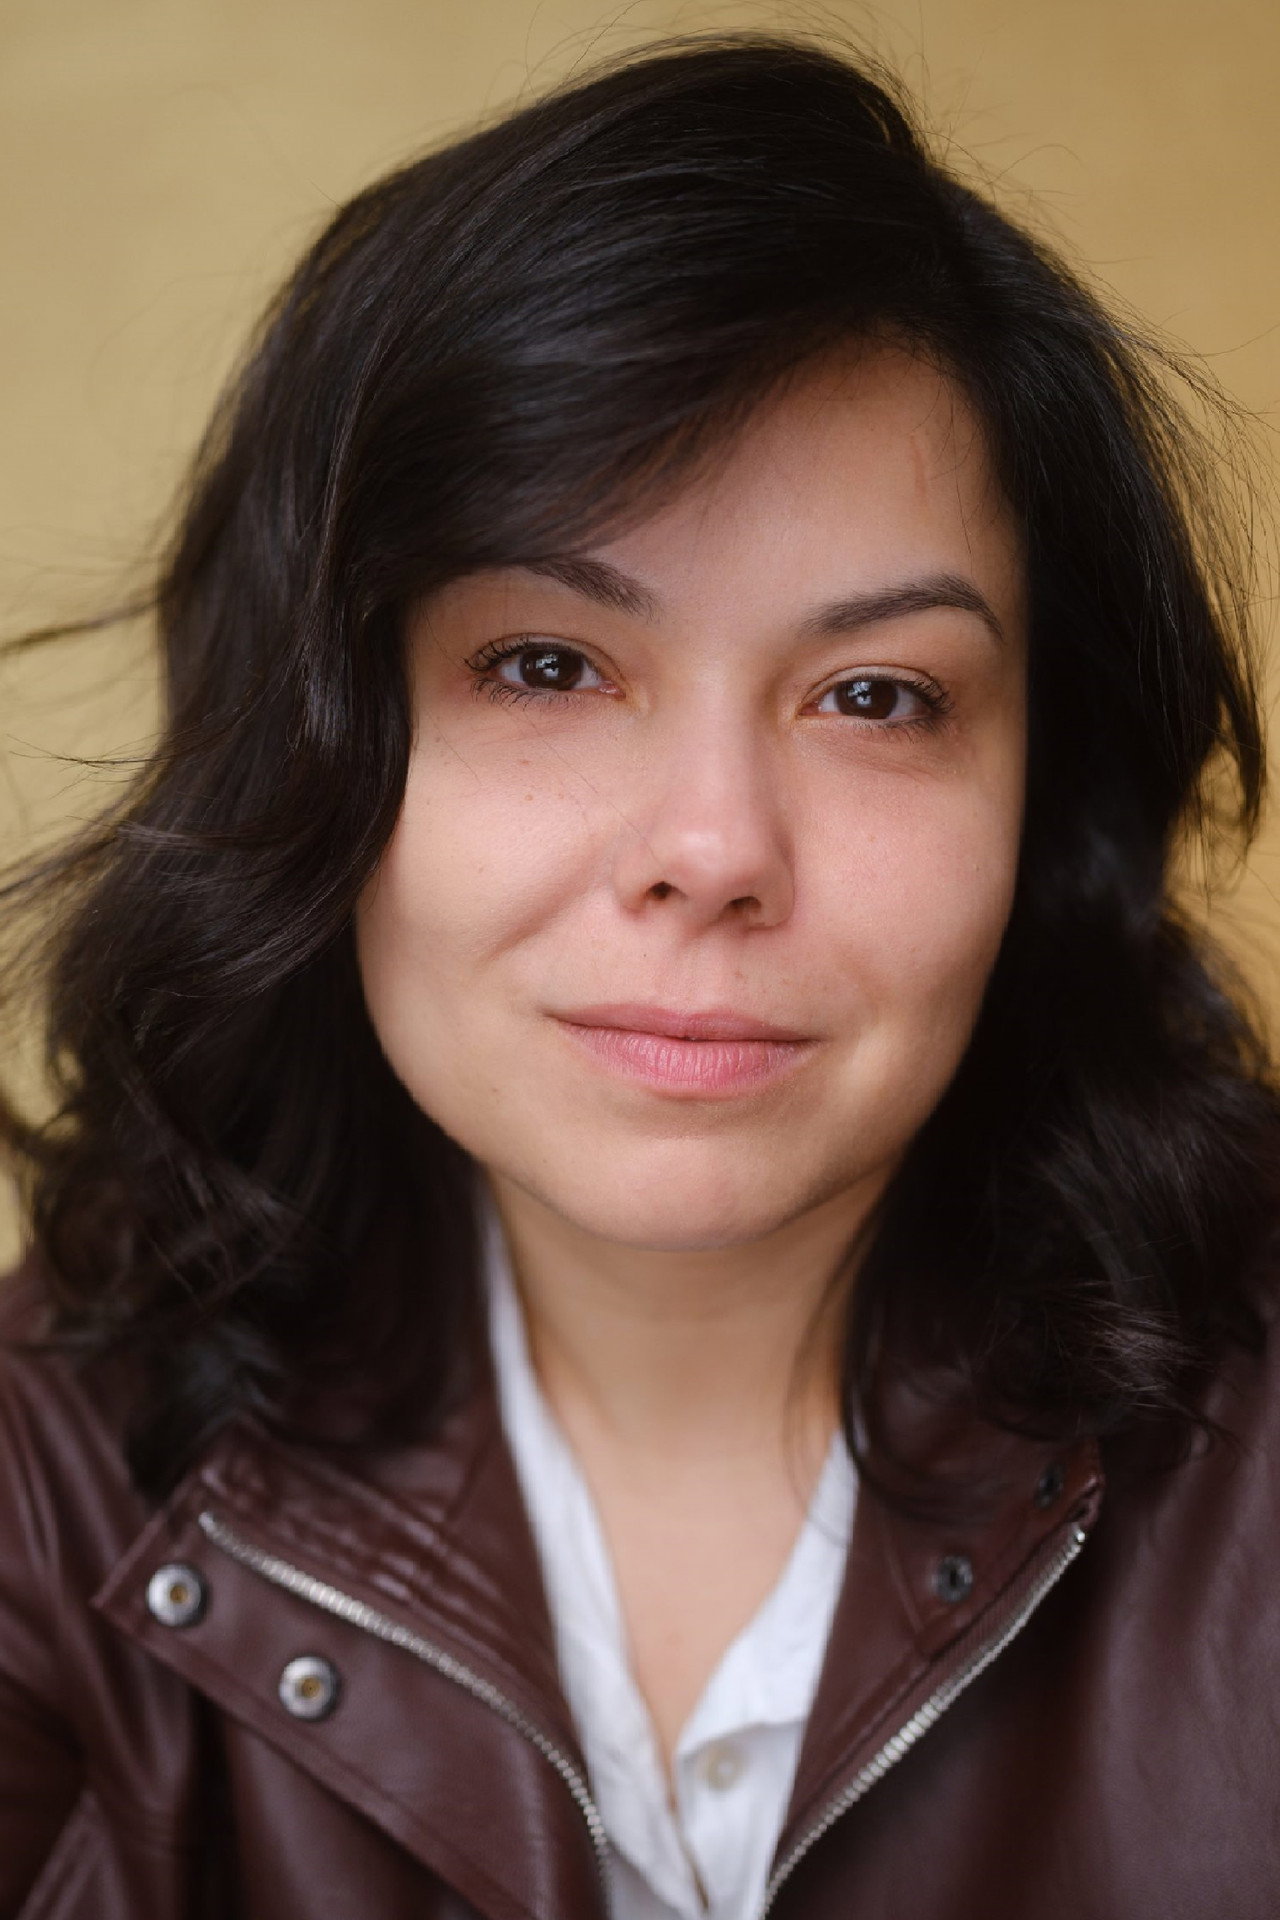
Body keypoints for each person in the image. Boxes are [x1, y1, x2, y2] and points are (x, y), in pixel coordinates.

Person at [0, 31, 1277, 1920]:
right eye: (547, 666)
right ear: (322, 740)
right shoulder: (46, 1486)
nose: (714, 847)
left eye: (876, 696)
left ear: (1043, 798)